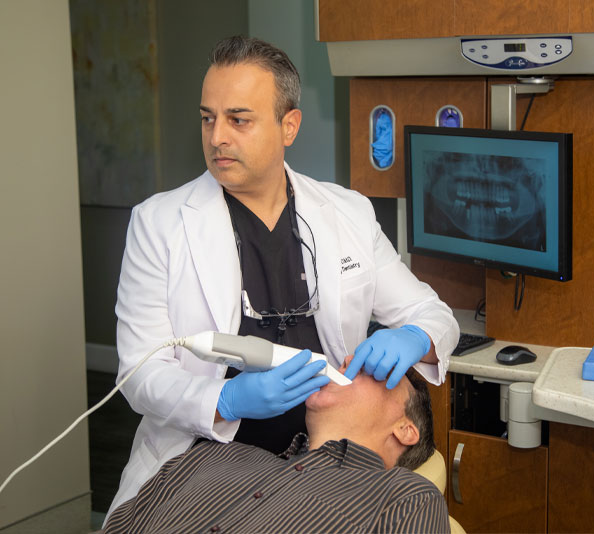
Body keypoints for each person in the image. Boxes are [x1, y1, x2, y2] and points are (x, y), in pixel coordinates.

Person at [109, 34, 459, 518]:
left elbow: (432, 314)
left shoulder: (348, 214)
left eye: (239, 120)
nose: (216, 138)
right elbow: (138, 372)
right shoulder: (160, 223)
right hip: (201, 463)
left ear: (288, 125)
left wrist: (416, 337)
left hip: (322, 469)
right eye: (208, 118)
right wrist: (226, 399)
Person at [103, 365, 450, 533]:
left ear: (406, 429)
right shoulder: (217, 453)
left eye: (374, 370)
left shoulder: (406, 496)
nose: (346, 360)